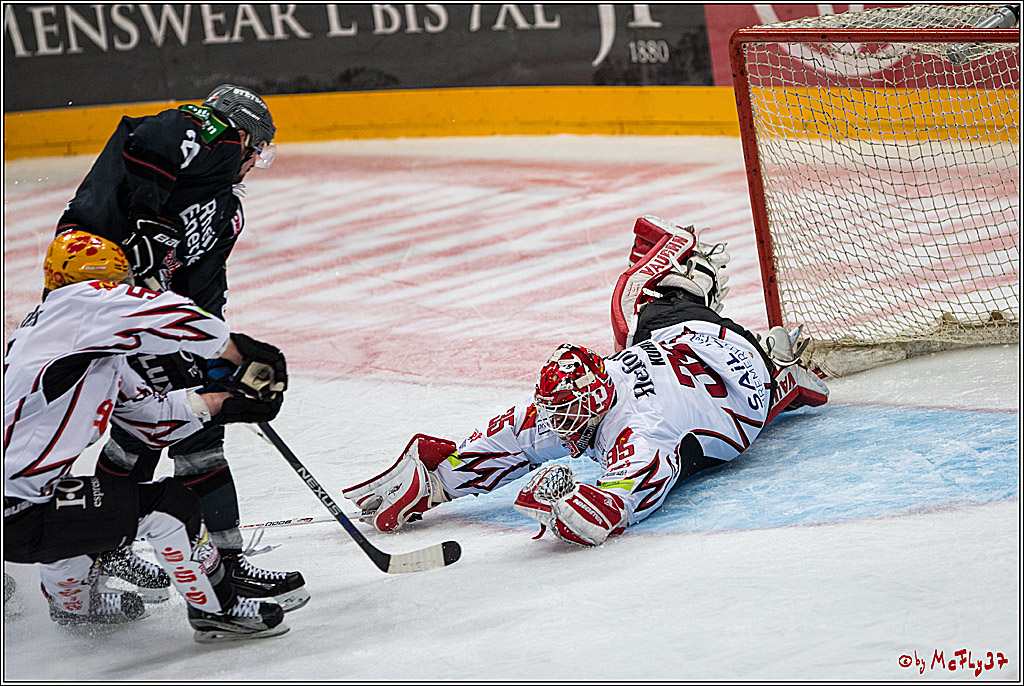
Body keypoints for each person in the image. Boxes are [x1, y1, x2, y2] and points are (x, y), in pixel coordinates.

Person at [342, 216, 830, 546]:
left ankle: (781, 367)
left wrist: (568, 503)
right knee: (654, 306)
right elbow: (512, 437)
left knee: (745, 399)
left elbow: (614, 507)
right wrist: (433, 479)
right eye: (556, 410)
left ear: (595, 401)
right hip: (696, 333)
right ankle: (698, 278)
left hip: (747, 384)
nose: (556, 422)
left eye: (566, 414)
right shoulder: (587, 394)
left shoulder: (641, 431)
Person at [53, 84, 307, 608]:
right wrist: (147, 217)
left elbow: (205, 291)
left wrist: (218, 358)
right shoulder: (208, 134)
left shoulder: (223, 211)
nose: (253, 162)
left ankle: (112, 551)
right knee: (181, 432)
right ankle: (207, 566)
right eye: (255, 149)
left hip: (147, 319)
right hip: (101, 302)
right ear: (241, 133)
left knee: (160, 432)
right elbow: (147, 138)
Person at [4, 232, 290, 641]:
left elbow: (150, 421)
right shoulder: (79, 305)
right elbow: (160, 312)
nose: (126, 288)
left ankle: (74, 608)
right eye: (118, 281)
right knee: (172, 507)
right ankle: (218, 609)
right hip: (17, 511)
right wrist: (236, 351)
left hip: (22, 502)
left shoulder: (76, 342)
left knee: (79, 507)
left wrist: (223, 404)